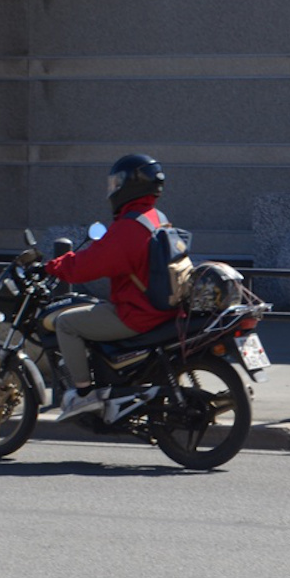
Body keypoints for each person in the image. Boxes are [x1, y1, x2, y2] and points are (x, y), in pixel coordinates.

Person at [42, 153, 181, 421]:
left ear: (130, 184)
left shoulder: (130, 226)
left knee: (66, 324)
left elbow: (91, 264)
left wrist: (55, 266)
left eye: (116, 182)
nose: (112, 189)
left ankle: (85, 395)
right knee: (95, 312)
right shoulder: (156, 217)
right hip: (160, 307)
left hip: (137, 312)